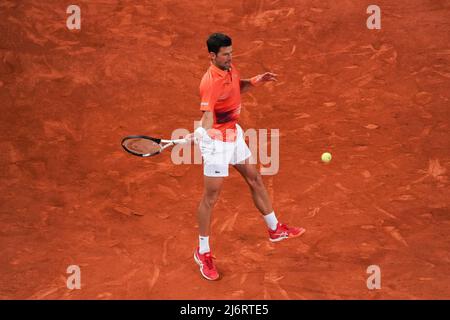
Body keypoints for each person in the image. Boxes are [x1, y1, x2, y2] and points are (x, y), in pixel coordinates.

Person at [187, 33, 305, 281]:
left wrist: (255, 81)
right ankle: (203, 251)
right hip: (217, 143)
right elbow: (207, 114)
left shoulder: (229, 67)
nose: (230, 57)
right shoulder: (210, 81)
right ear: (212, 56)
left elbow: (236, 87)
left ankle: (274, 229)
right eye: (225, 54)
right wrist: (201, 132)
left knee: (255, 178)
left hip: (233, 135)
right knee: (211, 198)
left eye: (231, 52)